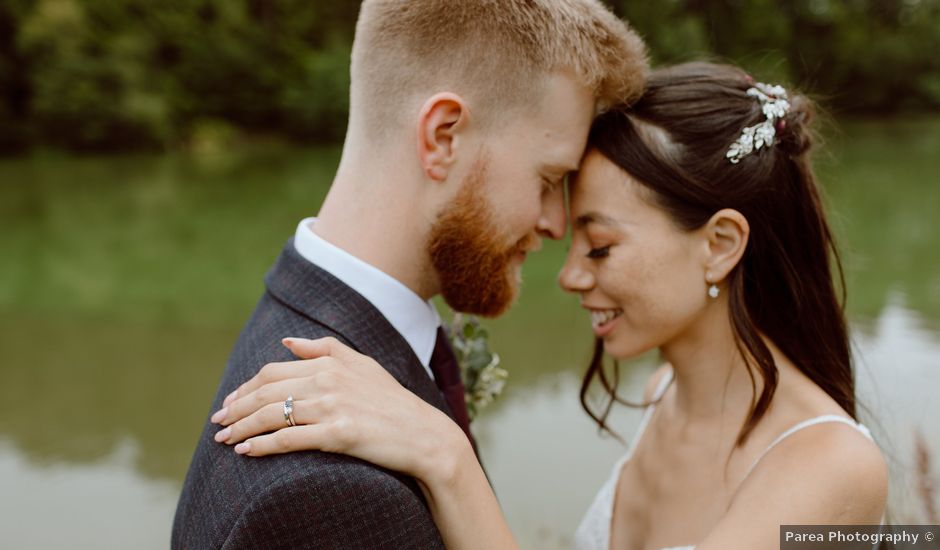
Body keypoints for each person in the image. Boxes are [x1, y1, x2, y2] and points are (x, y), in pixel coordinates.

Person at [210, 62, 889, 550]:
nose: (566, 276)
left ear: (719, 244)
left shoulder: (834, 470)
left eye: (598, 247)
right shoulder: (662, 396)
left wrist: (444, 455)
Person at [171, 0, 647, 548]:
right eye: (547, 179)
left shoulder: (302, 323)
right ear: (443, 136)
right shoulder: (326, 495)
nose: (556, 224)